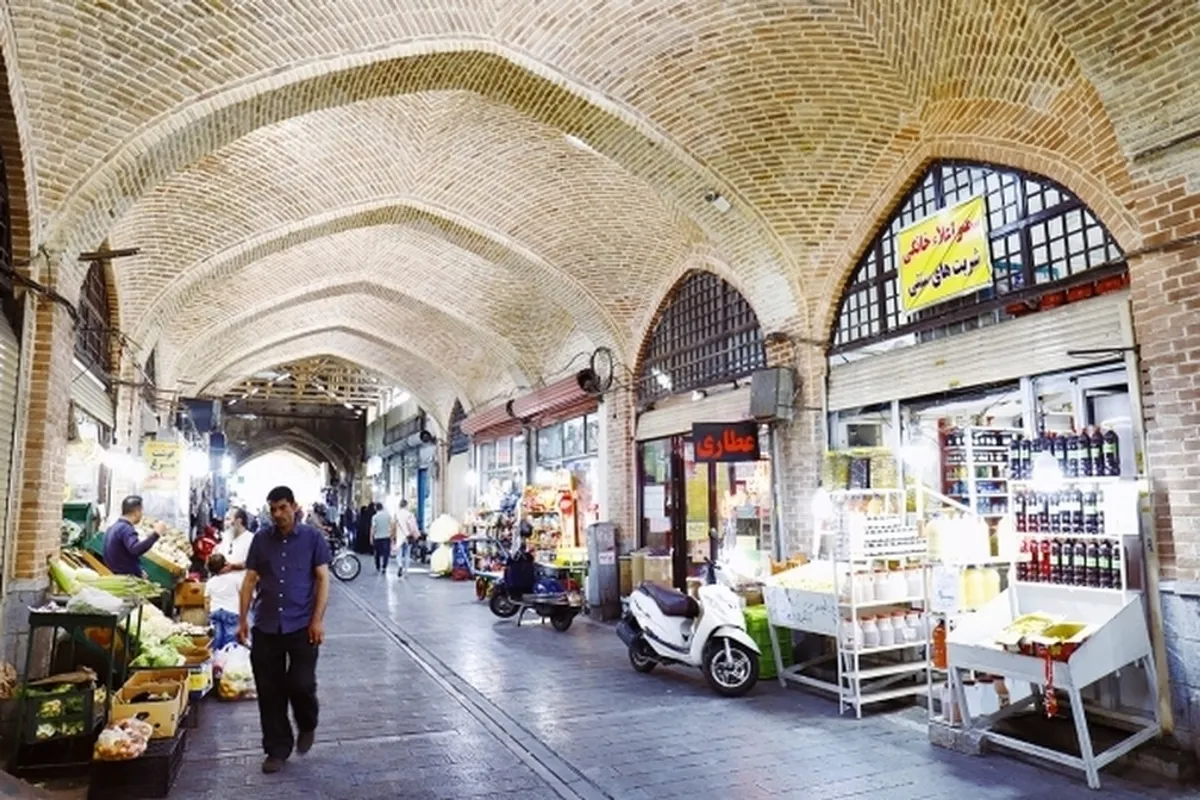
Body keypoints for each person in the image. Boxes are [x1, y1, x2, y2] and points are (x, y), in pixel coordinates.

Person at [238, 486, 331, 775]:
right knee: (269, 691)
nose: (278, 514)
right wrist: (243, 620)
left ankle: (307, 722)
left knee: (301, 684)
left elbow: (323, 579)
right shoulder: (261, 540)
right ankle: (277, 749)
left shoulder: (312, 538)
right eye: (273, 509)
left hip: (302, 625)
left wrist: (317, 620)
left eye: (282, 508)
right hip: (266, 625)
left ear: (294, 507)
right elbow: (250, 580)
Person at [103, 496, 163, 576]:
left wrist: (138, 571)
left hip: (116, 574)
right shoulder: (125, 529)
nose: (142, 514)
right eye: (141, 511)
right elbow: (135, 549)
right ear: (136, 512)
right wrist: (156, 534)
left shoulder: (113, 527)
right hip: (124, 578)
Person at [204, 554, 241, 650]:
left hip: (215, 612)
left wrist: (208, 614)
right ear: (225, 565)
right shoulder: (234, 579)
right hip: (231, 611)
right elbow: (242, 595)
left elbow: (207, 601)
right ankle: (228, 656)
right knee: (230, 641)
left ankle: (216, 656)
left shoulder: (210, 582)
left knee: (217, 639)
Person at [394, 499, 420, 577]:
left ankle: (400, 565)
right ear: (406, 505)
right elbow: (413, 526)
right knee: (407, 554)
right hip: (408, 536)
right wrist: (416, 534)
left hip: (399, 536)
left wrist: (393, 536)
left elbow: (394, 526)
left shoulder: (396, 514)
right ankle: (406, 571)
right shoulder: (410, 514)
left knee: (399, 553)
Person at [371, 501, 393, 573]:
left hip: (377, 537)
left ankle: (378, 566)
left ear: (376, 508)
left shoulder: (375, 517)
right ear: (382, 508)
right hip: (386, 536)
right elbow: (391, 525)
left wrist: (371, 537)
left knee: (377, 553)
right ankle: (384, 566)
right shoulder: (388, 516)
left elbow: (373, 528)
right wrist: (392, 535)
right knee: (386, 553)